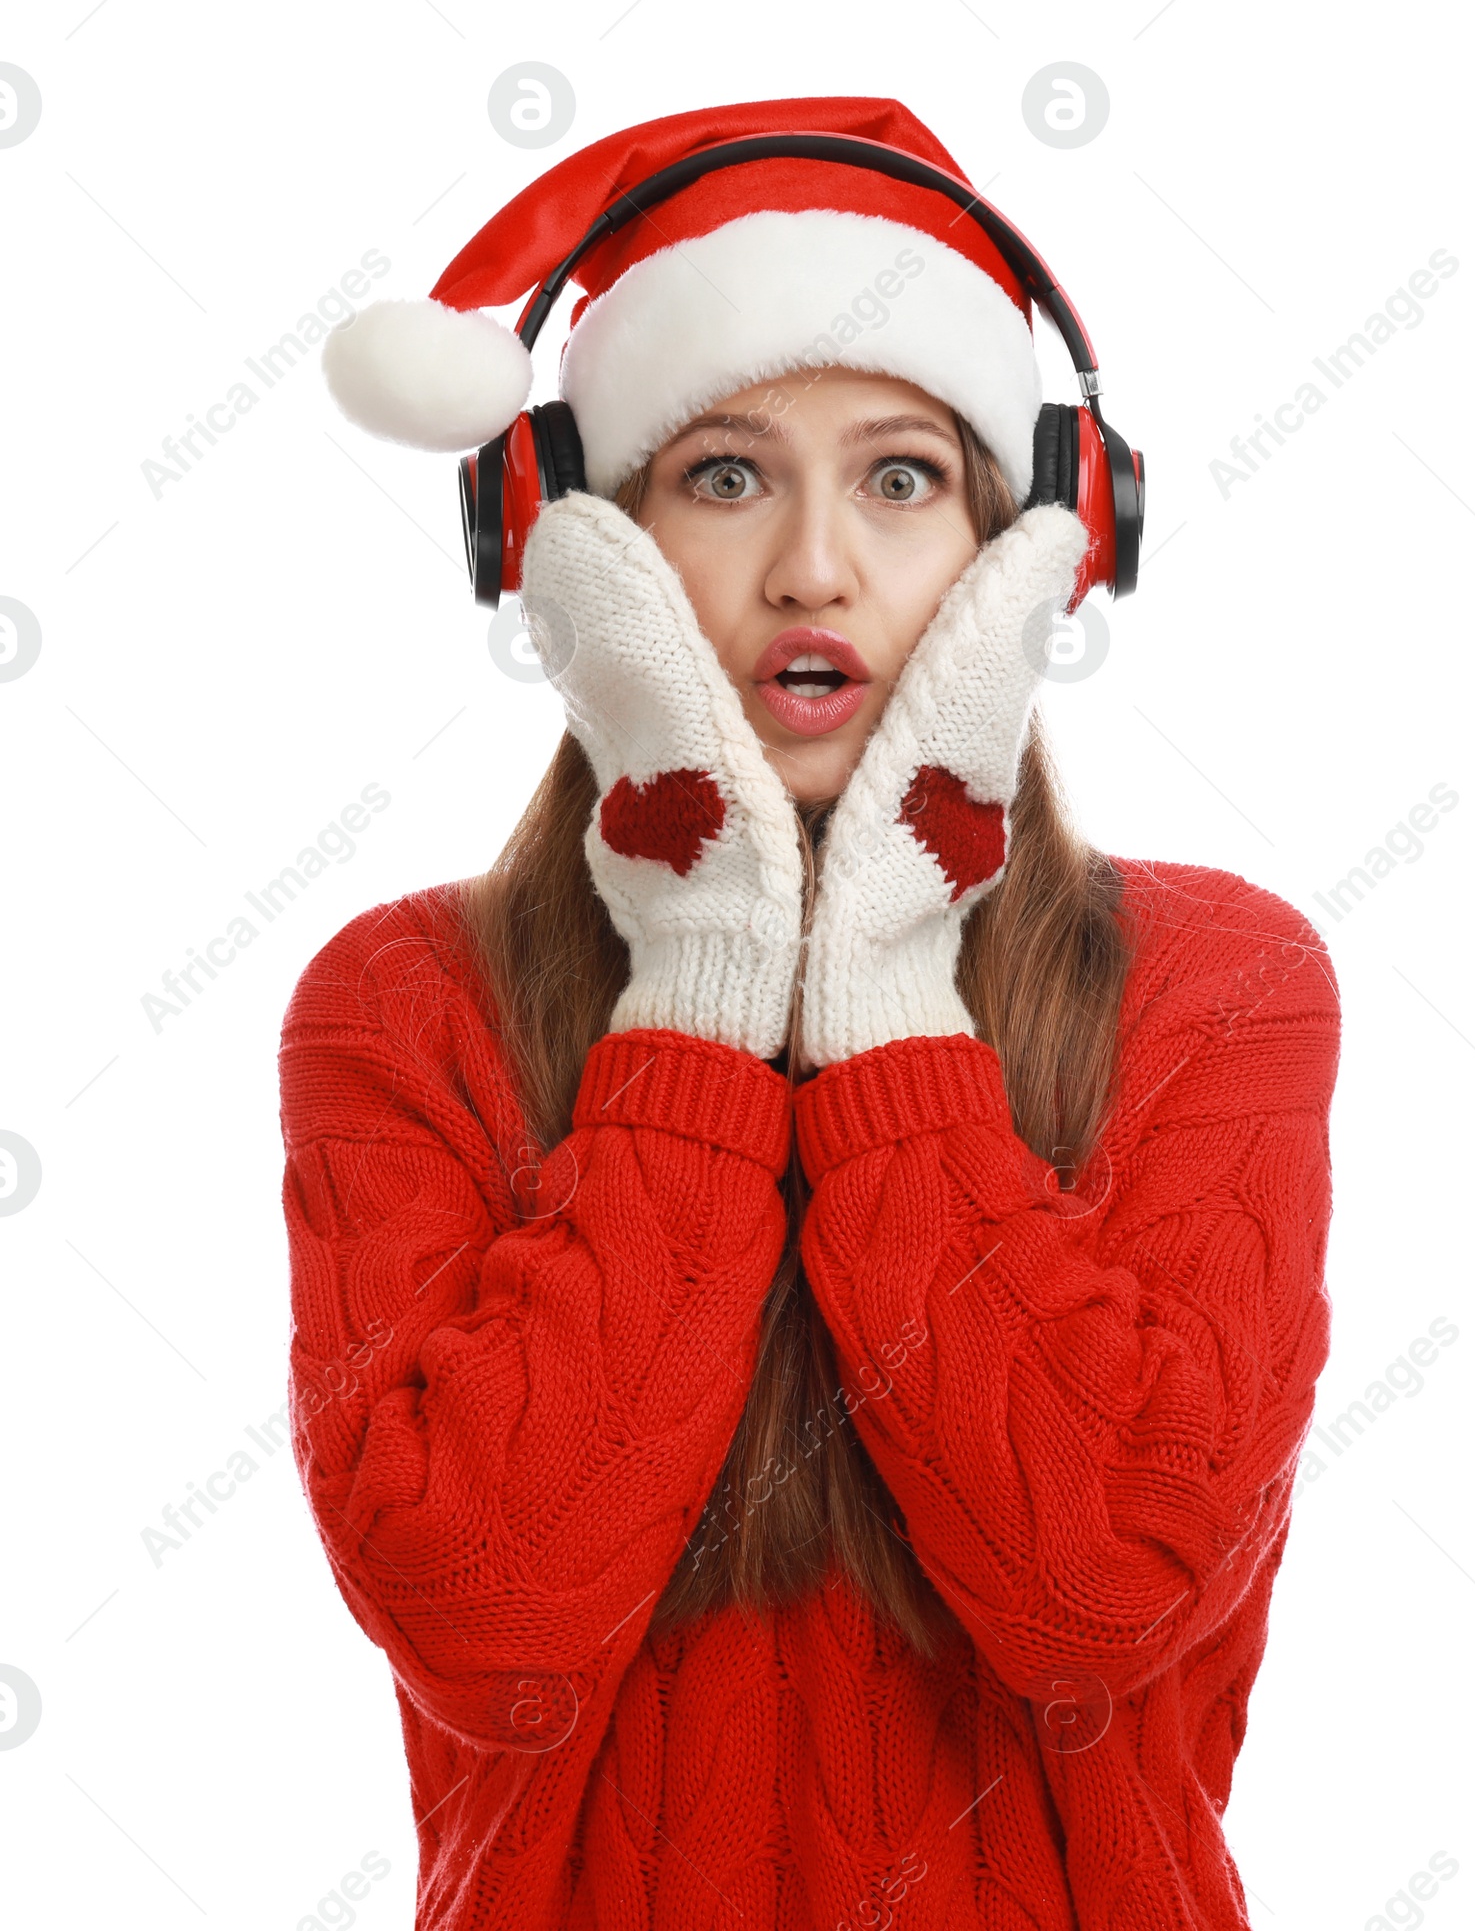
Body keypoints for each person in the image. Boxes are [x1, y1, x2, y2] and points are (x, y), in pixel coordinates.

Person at [281, 95, 1342, 1930]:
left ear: (1041, 550)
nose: (814, 572)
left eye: (904, 478)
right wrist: (696, 993)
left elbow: (1100, 1590)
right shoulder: (400, 1006)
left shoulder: (1219, 987)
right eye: (722, 474)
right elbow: (489, 1622)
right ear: (568, 552)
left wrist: (887, 1011)